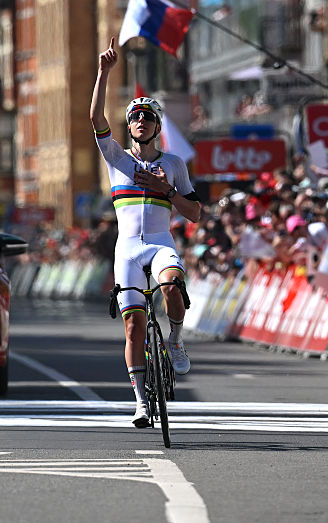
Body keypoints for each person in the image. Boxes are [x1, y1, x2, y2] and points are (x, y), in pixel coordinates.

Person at [90, 37, 202, 428]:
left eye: (148, 117)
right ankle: (140, 402)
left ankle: (175, 339)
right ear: (130, 125)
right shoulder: (116, 159)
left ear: (156, 126)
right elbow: (96, 120)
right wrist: (103, 72)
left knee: (172, 288)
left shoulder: (173, 164)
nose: (141, 122)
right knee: (134, 327)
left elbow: (195, 214)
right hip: (126, 251)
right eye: (135, 117)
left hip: (159, 245)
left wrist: (166, 191)